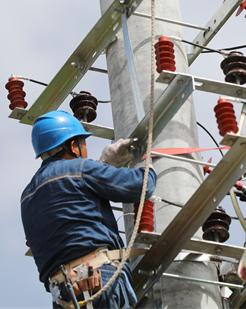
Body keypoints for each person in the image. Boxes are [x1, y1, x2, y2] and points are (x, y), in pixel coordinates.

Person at [21, 110, 156, 309]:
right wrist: (146, 160)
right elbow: (142, 185)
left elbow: (70, 206)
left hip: (64, 296)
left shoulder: (27, 197)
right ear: (73, 146)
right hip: (98, 279)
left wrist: (101, 166)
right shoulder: (82, 169)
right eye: (83, 144)